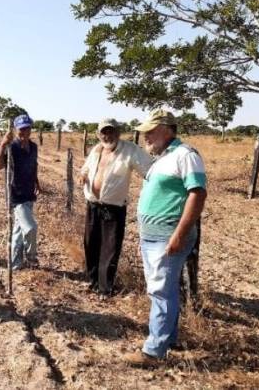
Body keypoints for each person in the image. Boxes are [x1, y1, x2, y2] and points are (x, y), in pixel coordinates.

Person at [123, 110, 207, 367]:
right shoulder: (162, 158)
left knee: (160, 291)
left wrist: (179, 235)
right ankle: (168, 339)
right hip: (153, 238)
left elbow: (197, 194)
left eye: (151, 130)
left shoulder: (185, 155)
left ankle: (153, 352)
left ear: (168, 129)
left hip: (168, 237)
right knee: (164, 289)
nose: (145, 136)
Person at [79, 118, 152, 297]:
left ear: (118, 132)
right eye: (104, 132)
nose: (107, 135)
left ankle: (105, 288)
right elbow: (85, 169)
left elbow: (150, 171)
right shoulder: (96, 150)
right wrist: (83, 176)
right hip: (93, 205)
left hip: (113, 208)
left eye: (111, 131)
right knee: (91, 244)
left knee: (110, 248)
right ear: (98, 134)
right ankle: (92, 281)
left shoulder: (130, 150)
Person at [0, 114, 41, 270]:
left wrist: (36, 182)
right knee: (30, 228)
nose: (24, 132)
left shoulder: (33, 147)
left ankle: (15, 264)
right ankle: (31, 258)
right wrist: (2, 145)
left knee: (19, 231)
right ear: (16, 129)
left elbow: (34, 165)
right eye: (21, 129)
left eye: (27, 128)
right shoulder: (10, 147)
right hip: (16, 195)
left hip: (29, 193)